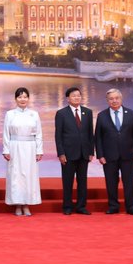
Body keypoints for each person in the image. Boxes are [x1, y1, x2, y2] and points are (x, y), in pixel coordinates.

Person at [95, 88, 133, 215]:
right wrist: (100, 155)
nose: (114, 101)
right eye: (111, 99)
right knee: (110, 182)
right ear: (107, 100)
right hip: (109, 156)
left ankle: (131, 206)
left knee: (129, 181)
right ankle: (113, 206)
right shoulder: (102, 115)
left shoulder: (131, 114)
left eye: (116, 98)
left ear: (121, 98)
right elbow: (98, 137)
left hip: (128, 154)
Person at [3, 88, 43, 217]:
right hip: (15, 147)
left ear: (28, 99)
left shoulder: (34, 114)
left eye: (25, 97)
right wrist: (6, 149)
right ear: (15, 99)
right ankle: (17, 205)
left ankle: (27, 204)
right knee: (16, 176)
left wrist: (39, 150)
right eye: (20, 97)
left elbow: (39, 134)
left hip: (30, 148)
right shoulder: (10, 114)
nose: (23, 99)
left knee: (29, 176)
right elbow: (6, 134)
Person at [54, 87, 94, 215]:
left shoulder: (87, 112)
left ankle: (81, 206)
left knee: (82, 181)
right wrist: (61, 153)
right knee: (67, 181)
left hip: (84, 153)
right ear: (68, 99)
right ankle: (67, 206)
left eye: (78, 95)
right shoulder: (61, 113)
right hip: (68, 154)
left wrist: (91, 151)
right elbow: (58, 135)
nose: (77, 97)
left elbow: (90, 133)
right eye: (73, 96)